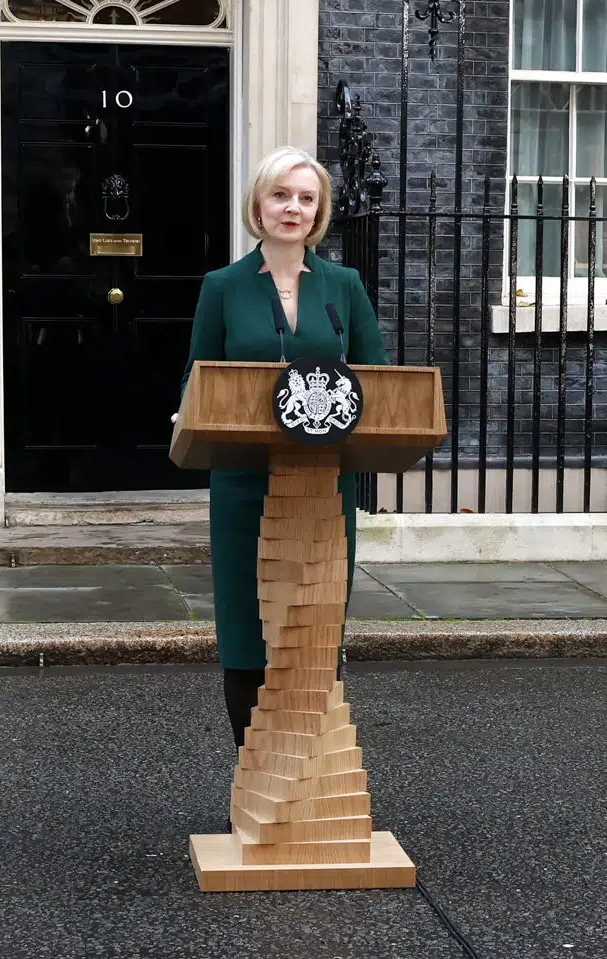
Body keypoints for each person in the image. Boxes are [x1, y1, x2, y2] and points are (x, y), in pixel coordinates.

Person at [175, 146, 391, 748]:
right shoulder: (222, 287)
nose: (293, 208)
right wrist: (188, 407)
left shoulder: (344, 285)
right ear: (259, 205)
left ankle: (311, 770)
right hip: (244, 482)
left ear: (318, 212)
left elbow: (378, 377)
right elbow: (197, 374)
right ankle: (255, 770)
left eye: (306, 198)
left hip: (324, 482)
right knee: (248, 626)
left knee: (315, 625)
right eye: (281, 195)